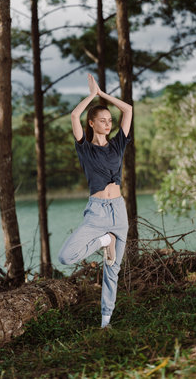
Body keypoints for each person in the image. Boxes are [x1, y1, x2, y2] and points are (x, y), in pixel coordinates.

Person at [58, 73, 133, 328]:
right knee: (67, 256)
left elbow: (128, 109)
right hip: (97, 213)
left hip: (119, 211)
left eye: (109, 120)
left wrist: (103, 95)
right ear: (91, 123)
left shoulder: (117, 145)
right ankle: (104, 241)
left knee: (113, 269)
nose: (108, 123)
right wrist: (91, 96)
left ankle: (105, 323)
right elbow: (73, 116)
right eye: (102, 120)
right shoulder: (85, 148)